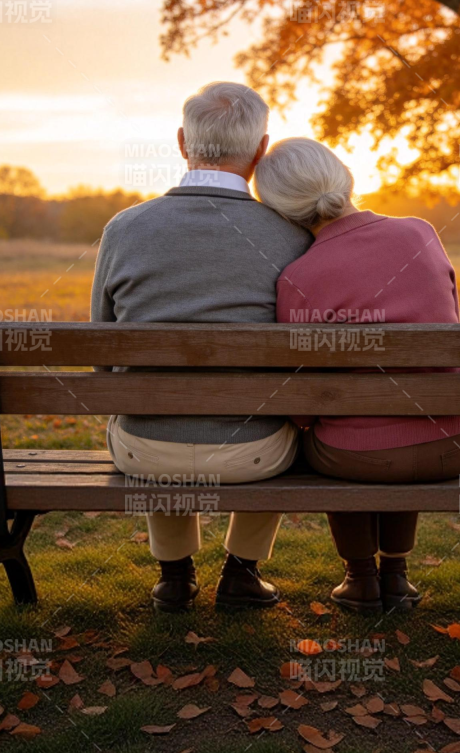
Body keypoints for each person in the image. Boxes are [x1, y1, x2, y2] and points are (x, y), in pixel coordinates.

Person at [93, 82, 312, 611]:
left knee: (149, 401)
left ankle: (174, 576)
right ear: (261, 150)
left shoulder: (124, 229)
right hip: (253, 452)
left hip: (145, 450)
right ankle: (241, 571)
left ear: (181, 142)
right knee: (282, 420)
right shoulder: (290, 234)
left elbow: (103, 354)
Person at [254, 138, 460, 612]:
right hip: (453, 443)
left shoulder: (298, 276)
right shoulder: (421, 233)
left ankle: (361, 578)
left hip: (355, 456)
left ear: (281, 211)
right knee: (406, 417)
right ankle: (396, 577)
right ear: (343, 175)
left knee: (347, 434)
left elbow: (301, 402)